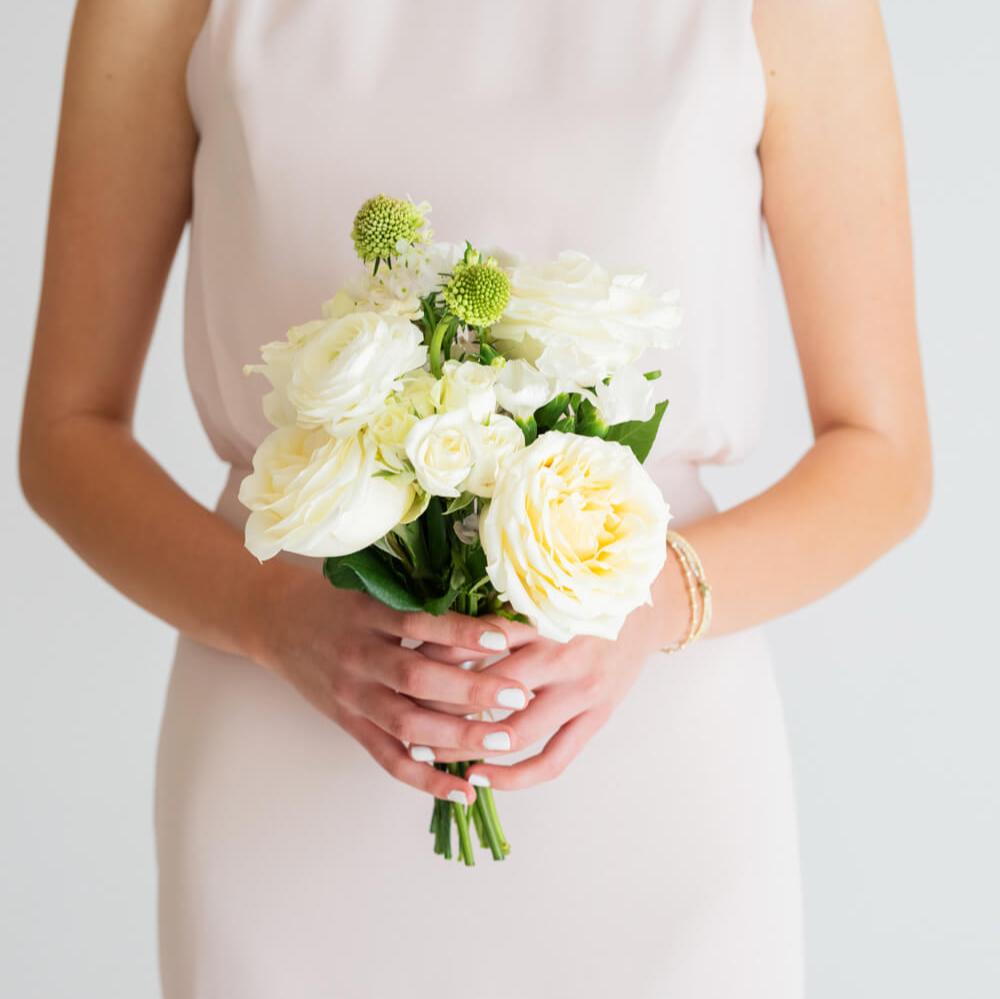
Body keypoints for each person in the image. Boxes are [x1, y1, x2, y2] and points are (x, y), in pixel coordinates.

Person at [20, 1, 931, 996]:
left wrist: (650, 603)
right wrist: (267, 615)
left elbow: (882, 455)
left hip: (645, 768)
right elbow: (67, 433)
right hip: (282, 743)